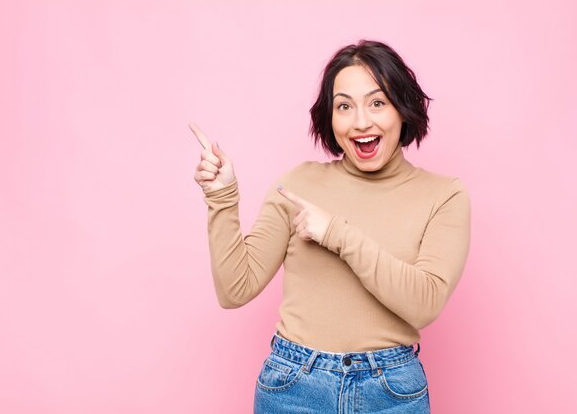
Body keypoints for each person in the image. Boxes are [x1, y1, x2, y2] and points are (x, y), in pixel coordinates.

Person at [190, 39, 470, 413]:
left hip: (391, 393)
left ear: (402, 109)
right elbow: (235, 289)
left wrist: (337, 234)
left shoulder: (444, 196)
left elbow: (424, 304)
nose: (360, 122)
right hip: (293, 387)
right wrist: (222, 198)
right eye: (344, 106)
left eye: (377, 102)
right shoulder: (298, 185)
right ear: (330, 117)